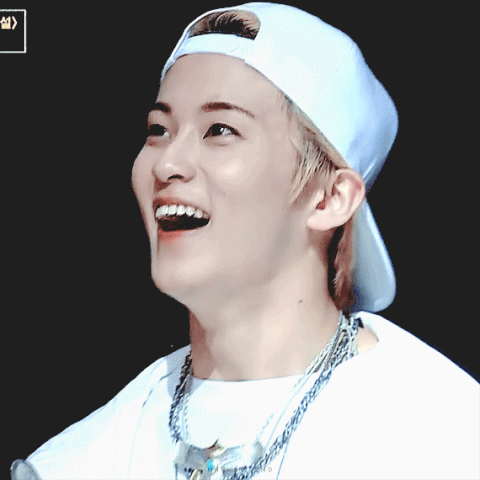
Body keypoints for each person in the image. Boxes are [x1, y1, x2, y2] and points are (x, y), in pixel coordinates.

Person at [11, 3, 479, 479]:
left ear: (330, 198)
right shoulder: (76, 463)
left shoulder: (447, 439)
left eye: (220, 130)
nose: (168, 163)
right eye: (158, 130)